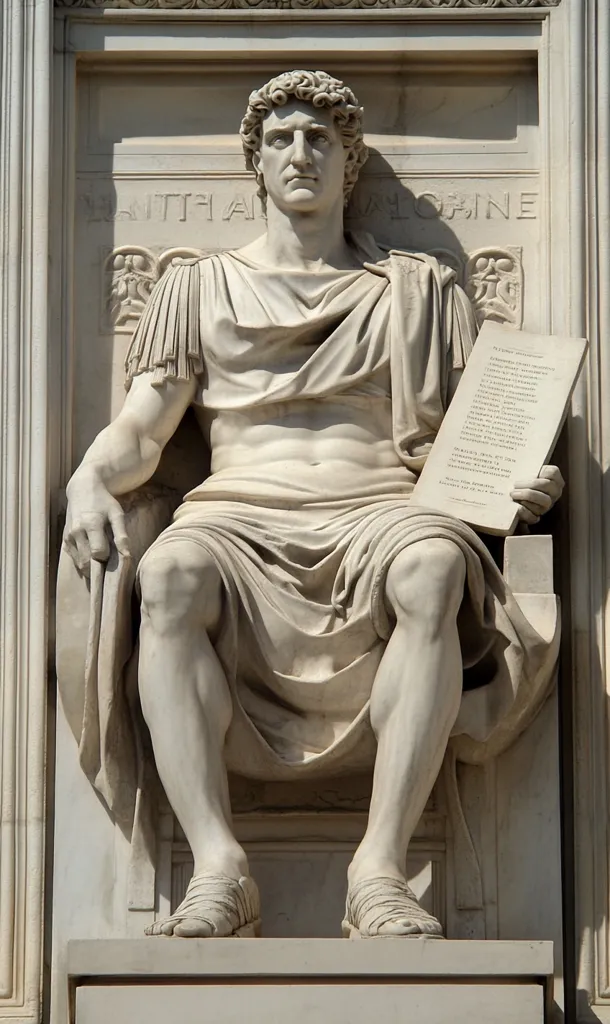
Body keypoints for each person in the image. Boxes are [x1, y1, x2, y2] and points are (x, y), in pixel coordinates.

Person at [63, 70, 564, 940]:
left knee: (436, 564)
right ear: (255, 164)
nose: (301, 154)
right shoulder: (199, 285)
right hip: (238, 512)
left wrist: (522, 489)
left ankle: (379, 871)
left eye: (320, 140)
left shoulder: (416, 290)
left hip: (381, 507)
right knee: (171, 572)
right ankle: (219, 867)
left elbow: (474, 440)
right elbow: (142, 433)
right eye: (283, 139)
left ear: (349, 161)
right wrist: (84, 482)